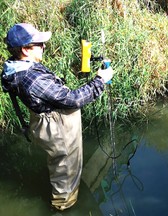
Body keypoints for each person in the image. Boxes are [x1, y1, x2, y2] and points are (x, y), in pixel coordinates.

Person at [1, 23, 114, 211]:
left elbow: (54, 93)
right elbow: (73, 99)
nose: (44, 46)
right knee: (66, 171)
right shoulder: (33, 79)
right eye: (39, 44)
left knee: (58, 163)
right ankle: (62, 206)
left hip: (43, 123)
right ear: (25, 49)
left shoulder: (16, 66)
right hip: (58, 130)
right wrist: (99, 81)